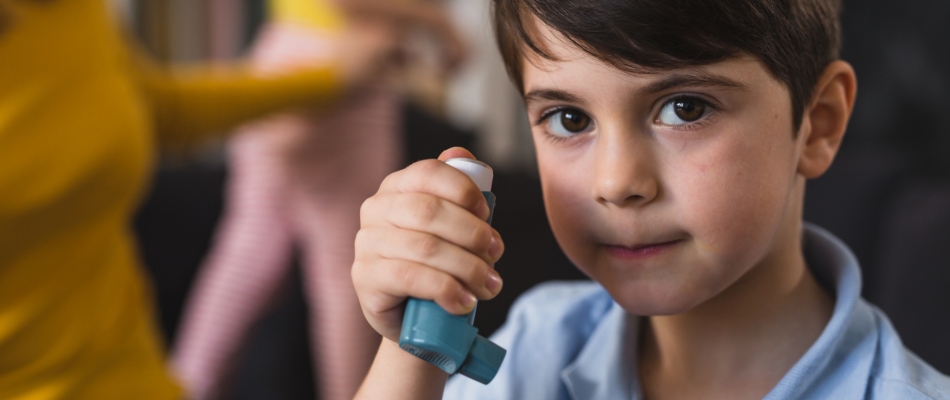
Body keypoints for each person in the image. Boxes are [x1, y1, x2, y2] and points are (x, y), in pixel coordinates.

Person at [349, 0, 950, 399]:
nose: (617, 182)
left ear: (816, 124)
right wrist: (411, 350)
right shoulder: (537, 346)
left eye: (684, 108)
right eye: (568, 117)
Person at [0, 0, 436, 398]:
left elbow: (155, 108)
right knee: (338, 273)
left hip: (139, 380)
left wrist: (326, 79)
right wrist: (435, 27)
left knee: (259, 259)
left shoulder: (68, 12)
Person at [170, 1, 464, 400]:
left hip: (279, 62)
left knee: (244, 261)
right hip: (341, 80)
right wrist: (437, 25)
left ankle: (182, 387)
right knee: (346, 278)